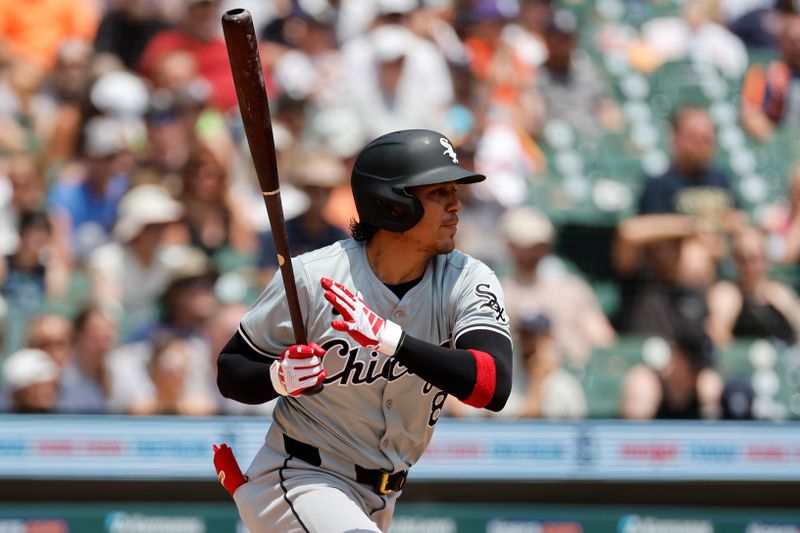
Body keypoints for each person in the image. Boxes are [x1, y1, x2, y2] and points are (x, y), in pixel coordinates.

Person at [216, 129, 512, 531]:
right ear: (392, 205)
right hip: (299, 476)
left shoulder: (467, 280)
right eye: (439, 193)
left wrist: (394, 341)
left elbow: (491, 387)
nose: (457, 205)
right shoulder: (314, 276)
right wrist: (277, 377)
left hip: (382, 497)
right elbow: (231, 369)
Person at [619, 323, 725, 420]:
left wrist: (710, 406)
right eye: (695, 368)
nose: (698, 374)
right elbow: (632, 436)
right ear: (678, 356)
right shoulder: (648, 382)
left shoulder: (704, 389)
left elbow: (712, 436)